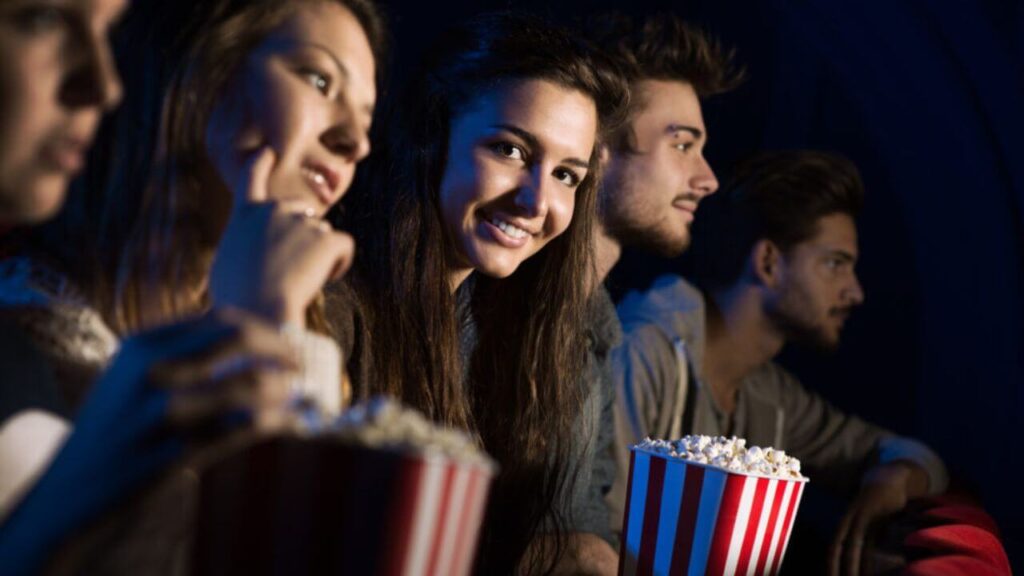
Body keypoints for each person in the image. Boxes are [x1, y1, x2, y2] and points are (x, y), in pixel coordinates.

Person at [0, 0, 313, 573]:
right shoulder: (31, 327)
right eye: (41, 17)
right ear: (190, 88)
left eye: (107, 30)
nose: (102, 84)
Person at [333, 12, 627, 574]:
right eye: (510, 150)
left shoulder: (511, 327)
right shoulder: (336, 303)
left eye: (567, 174)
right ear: (433, 138)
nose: (536, 202)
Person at [613, 150, 949, 575]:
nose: (855, 292)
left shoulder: (767, 392)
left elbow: (907, 454)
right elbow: (596, 537)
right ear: (769, 262)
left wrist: (893, 478)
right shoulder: (643, 350)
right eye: (835, 264)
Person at [577, 12, 742, 545]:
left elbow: (583, 519)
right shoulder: (500, 302)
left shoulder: (597, 324)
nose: (708, 178)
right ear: (598, 148)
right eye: (681, 144)